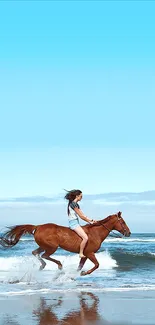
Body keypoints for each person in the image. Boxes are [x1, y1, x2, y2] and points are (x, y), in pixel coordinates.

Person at [64, 189, 96, 258]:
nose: (82, 197)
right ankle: (81, 253)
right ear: (77, 196)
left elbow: (83, 214)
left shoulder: (76, 204)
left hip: (76, 222)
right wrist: (89, 222)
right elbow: (81, 216)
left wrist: (91, 220)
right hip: (74, 223)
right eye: (81, 196)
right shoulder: (73, 204)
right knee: (85, 238)